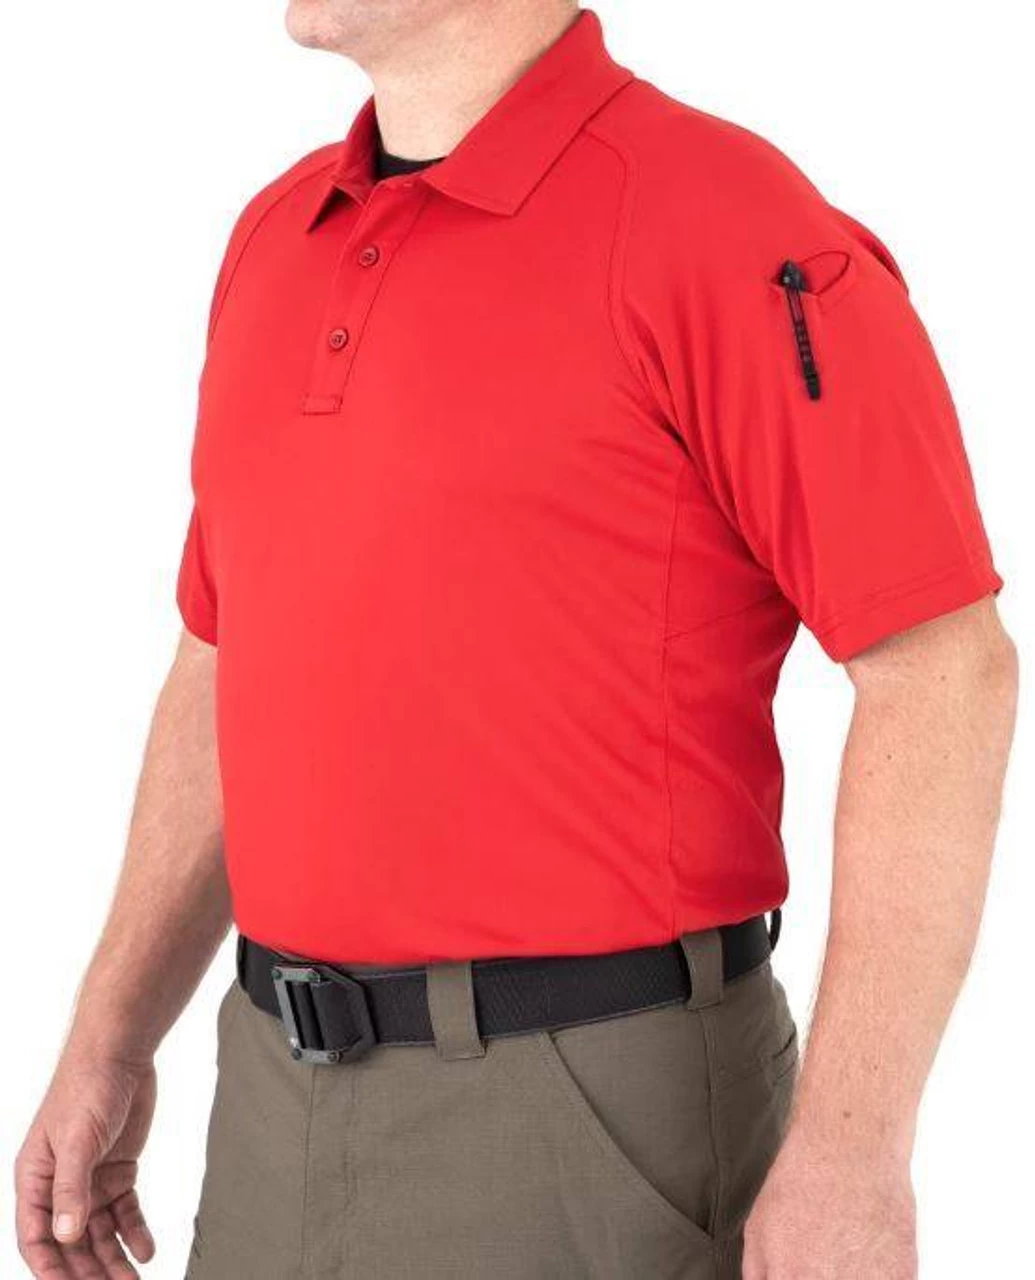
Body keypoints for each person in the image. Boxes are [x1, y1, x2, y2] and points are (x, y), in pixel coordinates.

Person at [14, 4, 1017, 1278]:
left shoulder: (723, 218)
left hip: (593, 1112)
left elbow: (942, 669)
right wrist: (109, 1031)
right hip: (268, 1099)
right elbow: (224, 656)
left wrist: (853, 1150)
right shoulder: (276, 235)